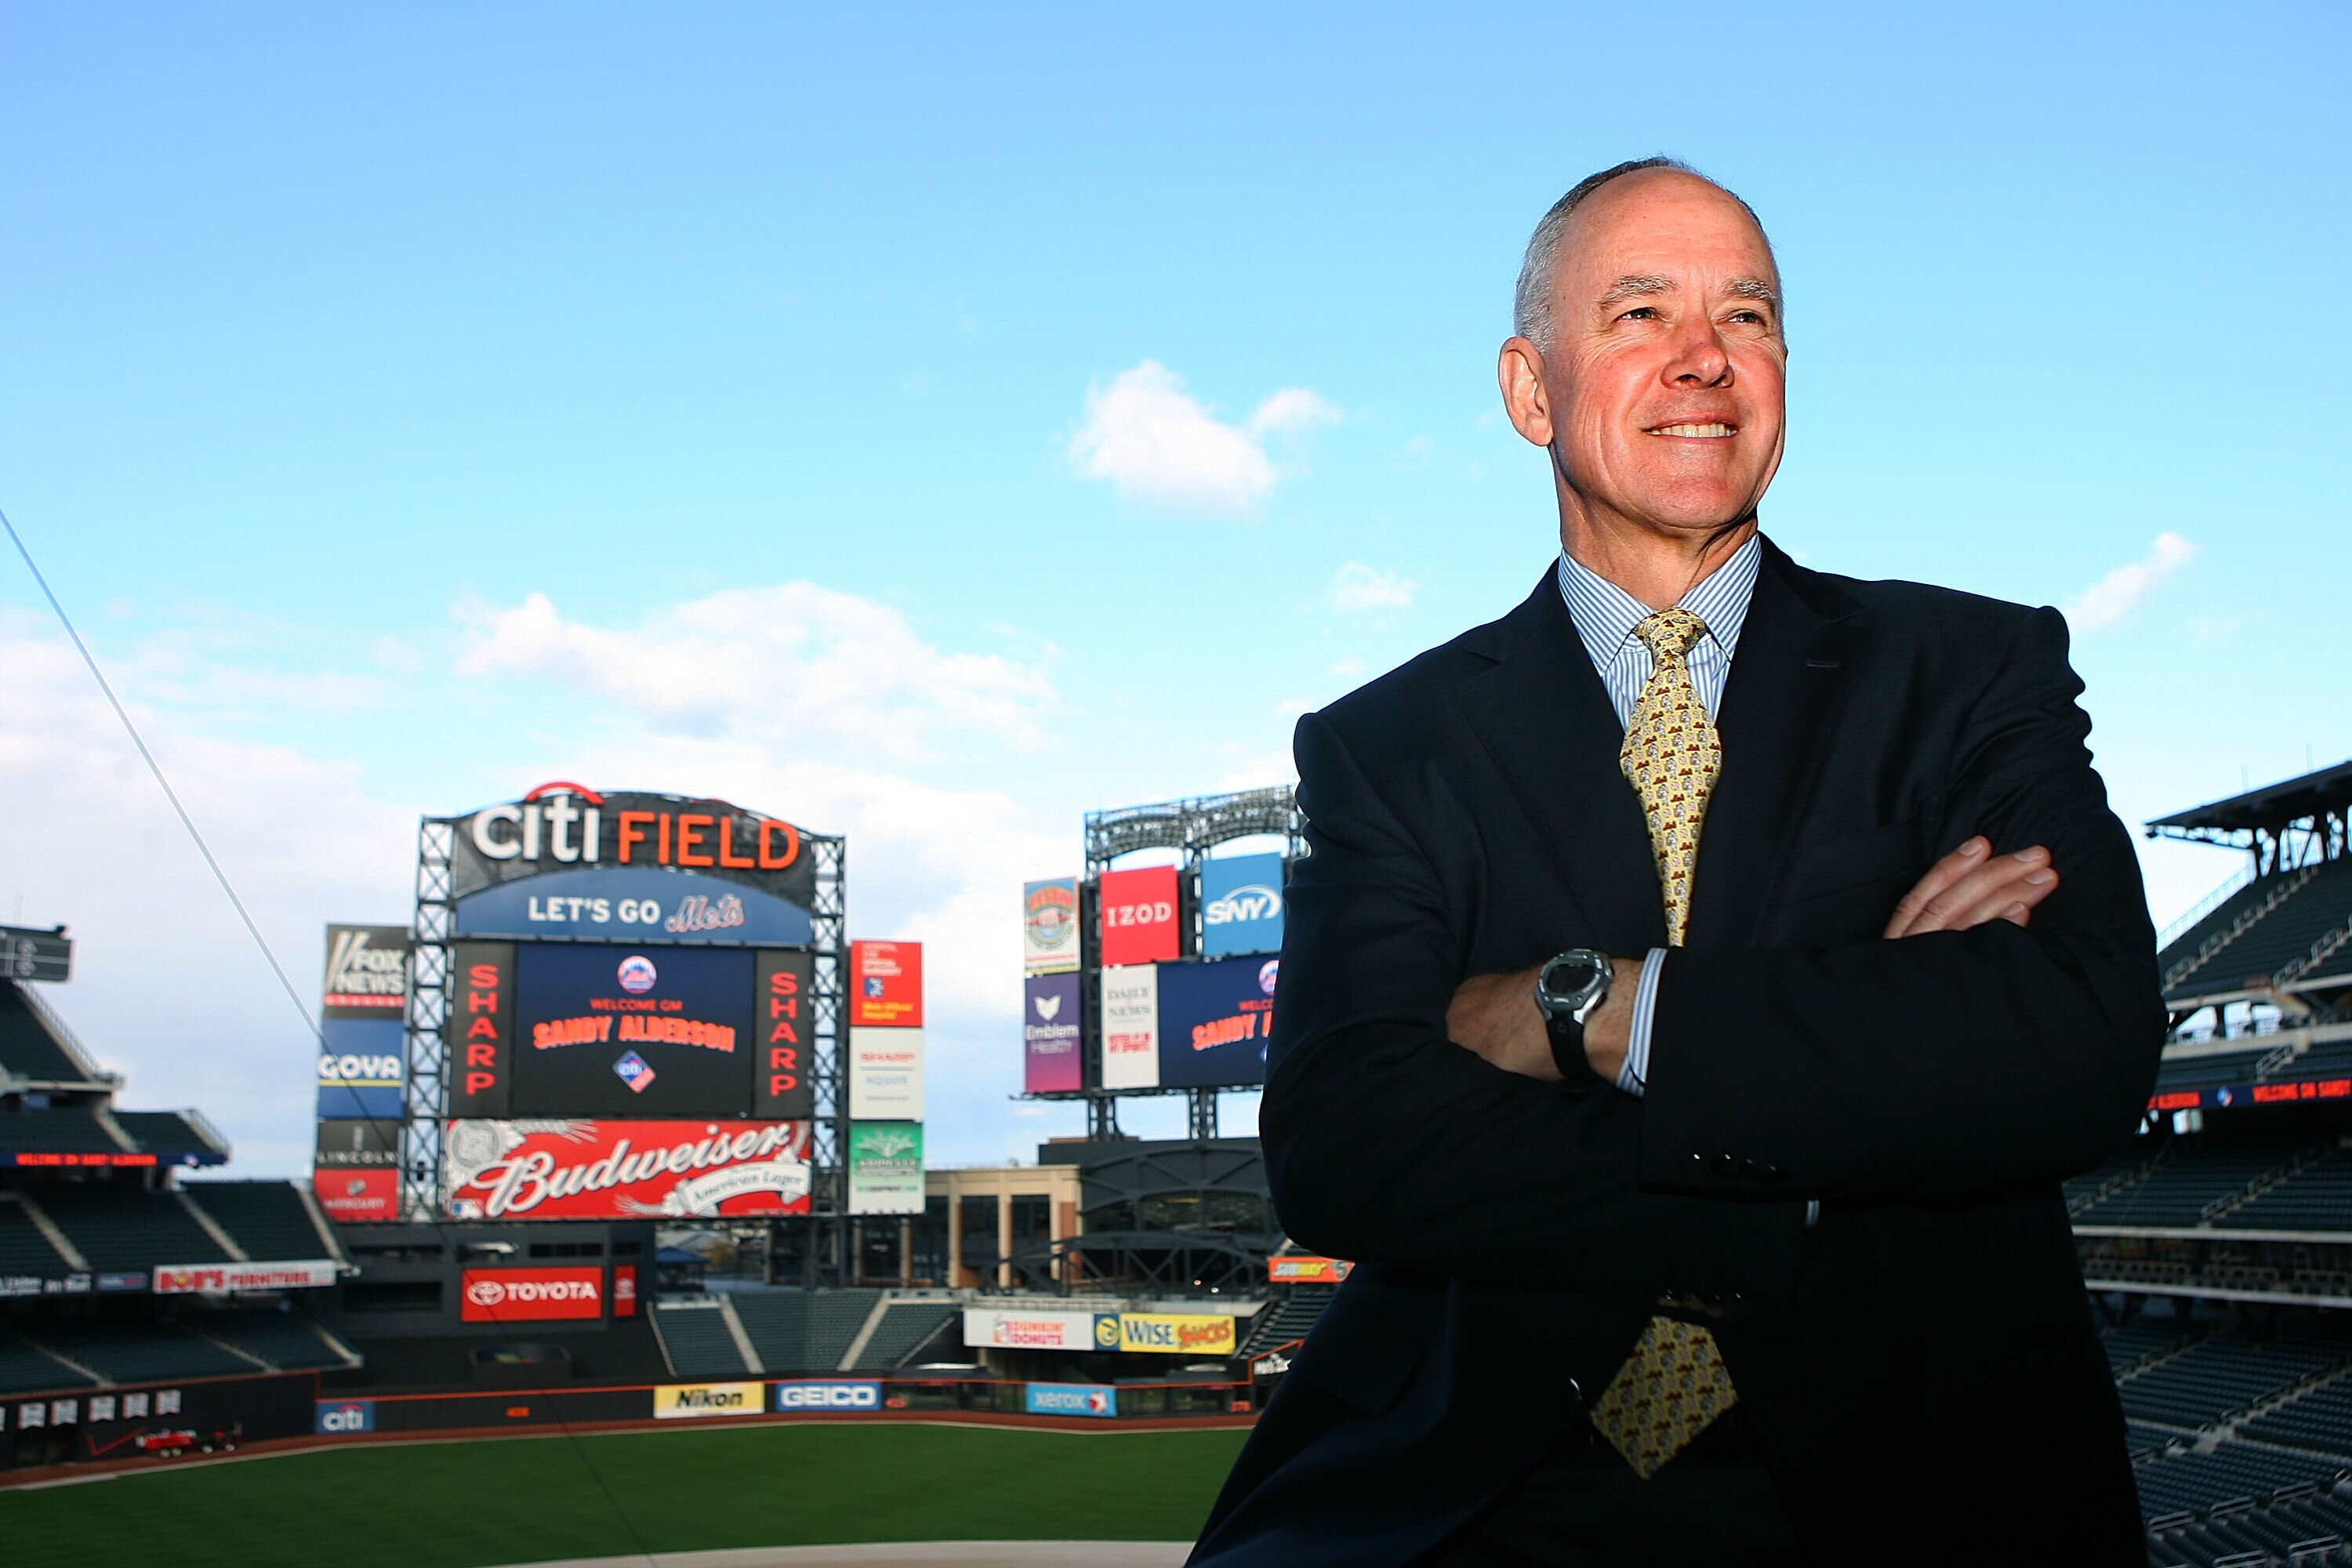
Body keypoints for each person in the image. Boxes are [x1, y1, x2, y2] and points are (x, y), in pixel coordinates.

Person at [1188, 160, 2164, 1566]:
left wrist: (1605, 1009)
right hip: (1487, 1480)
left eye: (1748, 316)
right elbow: (1349, 1146)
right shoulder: (1392, 744)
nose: (1705, 356)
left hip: (1922, 1483)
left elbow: (2079, 1041)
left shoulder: (1967, 670)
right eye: (1640, 311)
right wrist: (1842, 1096)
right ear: (1531, 391)